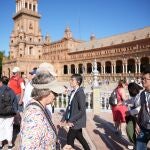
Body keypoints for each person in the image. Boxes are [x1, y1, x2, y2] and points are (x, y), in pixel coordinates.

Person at [20, 70, 63, 149]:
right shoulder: (34, 115)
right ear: (45, 91)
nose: (56, 96)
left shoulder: (40, 107)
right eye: (55, 93)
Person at [60, 74, 90, 150]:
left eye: (72, 80)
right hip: (73, 120)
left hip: (76, 121)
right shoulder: (73, 92)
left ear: (78, 82)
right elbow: (69, 106)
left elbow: (82, 110)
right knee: (80, 138)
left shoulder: (80, 93)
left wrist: (71, 120)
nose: (70, 81)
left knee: (69, 141)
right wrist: (63, 118)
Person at [0, 76, 18, 149]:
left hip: (0, 113)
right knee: (9, 127)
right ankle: (10, 144)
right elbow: (15, 102)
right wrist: (15, 111)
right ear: (8, 82)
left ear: (1, 82)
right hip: (10, 113)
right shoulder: (11, 91)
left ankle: (0, 144)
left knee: (0, 127)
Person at [135, 64, 150, 150]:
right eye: (142, 79)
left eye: (145, 79)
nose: (142, 81)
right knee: (139, 147)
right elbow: (142, 109)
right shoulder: (142, 94)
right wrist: (137, 122)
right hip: (144, 127)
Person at [125, 82, 143, 149]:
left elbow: (141, 108)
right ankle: (135, 143)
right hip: (133, 117)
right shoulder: (135, 95)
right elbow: (131, 100)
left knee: (140, 134)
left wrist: (130, 112)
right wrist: (124, 102)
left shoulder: (141, 94)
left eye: (130, 90)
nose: (129, 92)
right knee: (129, 129)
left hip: (140, 117)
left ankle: (137, 146)